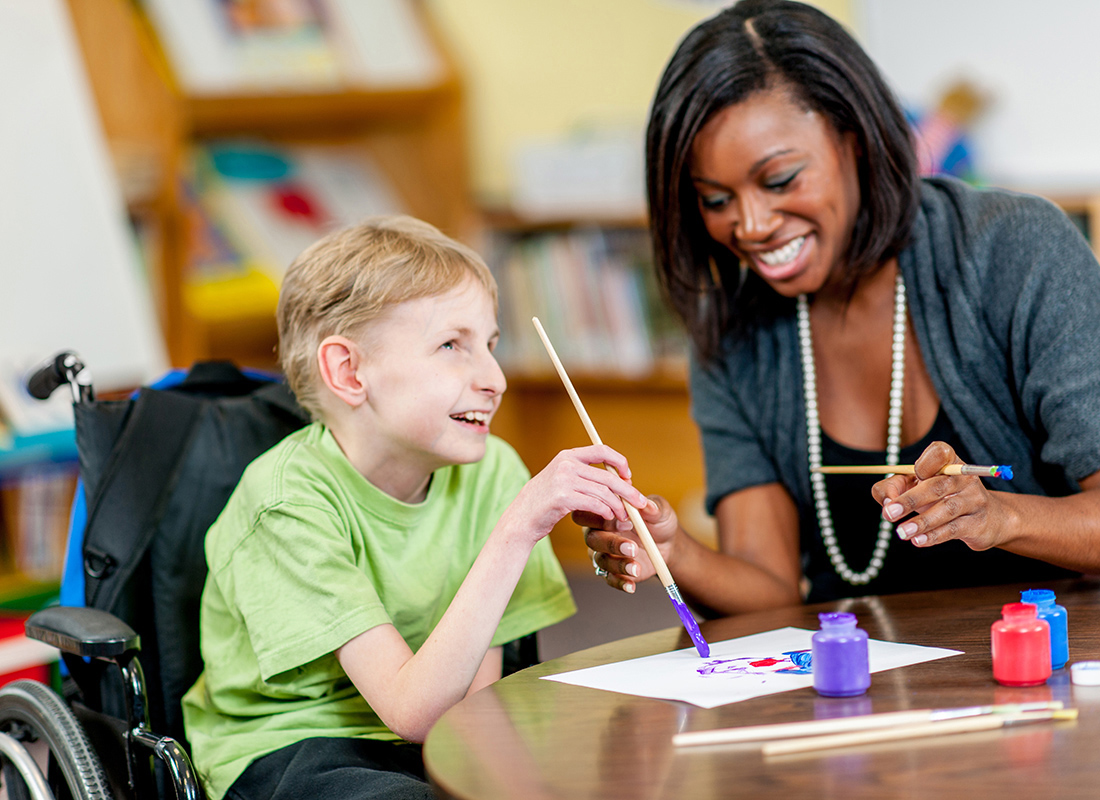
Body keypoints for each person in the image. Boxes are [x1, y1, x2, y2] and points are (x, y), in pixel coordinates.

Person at [582, 0, 1100, 611]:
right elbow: (767, 587)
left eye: (779, 181)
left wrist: (1000, 517)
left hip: (1050, 669)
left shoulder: (1015, 248)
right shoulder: (732, 327)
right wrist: (673, 552)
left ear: (855, 140)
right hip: (853, 684)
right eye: (716, 199)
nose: (750, 226)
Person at [181, 215, 653, 800]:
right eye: (453, 345)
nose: (495, 378)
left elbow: (470, 715)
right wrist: (517, 531)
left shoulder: (494, 471)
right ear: (349, 372)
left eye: (491, 344)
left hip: (435, 730)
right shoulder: (285, 502)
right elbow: (414, 715)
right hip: (295, 746)